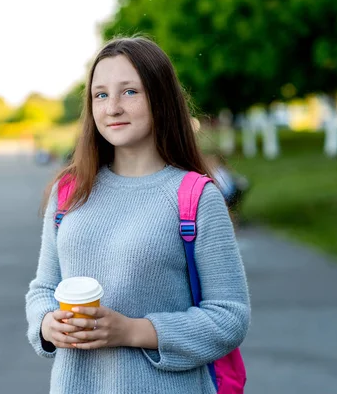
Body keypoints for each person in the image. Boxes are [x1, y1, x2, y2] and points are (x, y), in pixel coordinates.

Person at [25, 37, 250, 393]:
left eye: (129, 92)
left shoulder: (194, 197)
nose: (112, 107)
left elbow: (229, 317)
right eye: (100, 95)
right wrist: (46, 325)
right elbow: (44, 288)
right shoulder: (70, 190)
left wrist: (132, 331)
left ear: (160, 99)